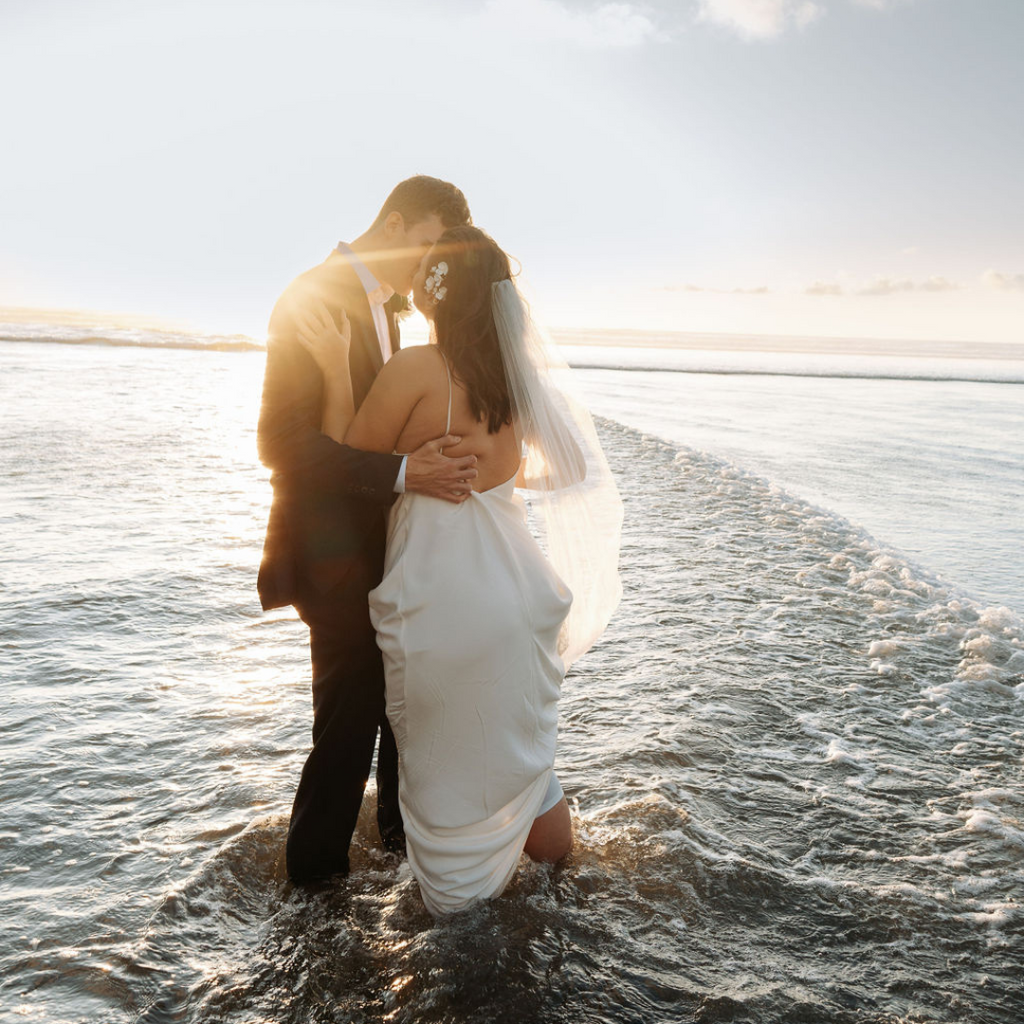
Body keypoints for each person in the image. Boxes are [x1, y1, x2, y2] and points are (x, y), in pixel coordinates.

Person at [295, 225, 623, 914]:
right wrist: (496, 475)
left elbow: (345, 467)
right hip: (517, 601)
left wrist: (330, 369)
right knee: (523, 759)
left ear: (438, 292)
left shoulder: (418, 370)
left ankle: (456, 908)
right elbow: (574, 466)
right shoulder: (514, 382)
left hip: (441, 608)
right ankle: (561, 882)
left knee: (438, 766)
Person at [256, 176, 476, 884]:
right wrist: (407, 476)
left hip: (378, 552)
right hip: (329, 557)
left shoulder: (393, 315)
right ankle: (313, 895)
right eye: (428, 245)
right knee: (346, 730)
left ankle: (395, 857)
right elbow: (281, 442)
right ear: (397, 221)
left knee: (393, 714)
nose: (429, 264)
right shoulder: (313, 296)